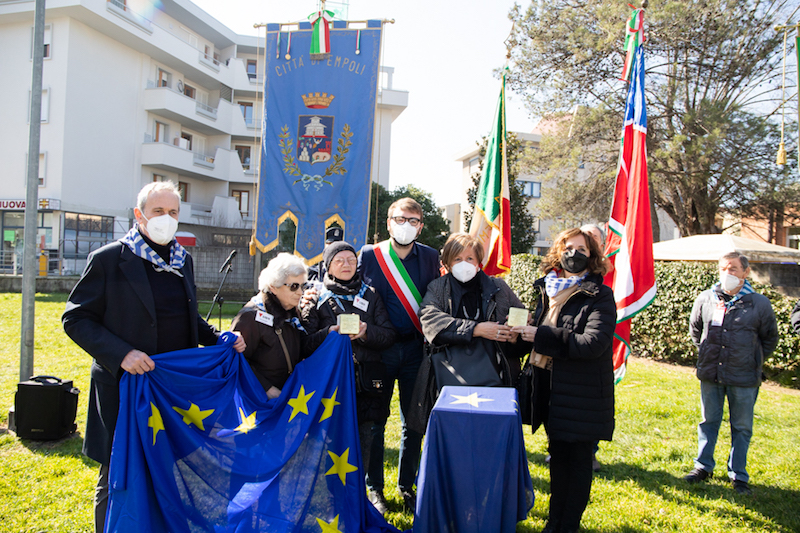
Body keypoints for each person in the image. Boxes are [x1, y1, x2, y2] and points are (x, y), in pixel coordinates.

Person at [62, 181, 246, 533]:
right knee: (117, 473)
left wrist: (219, 338)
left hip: (171, 389)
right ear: (139, 215)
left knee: (166, 466)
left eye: (173, 212)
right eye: (158, 211)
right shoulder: (109, 259)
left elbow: (187, 317)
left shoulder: (182, 260)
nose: (166, 218)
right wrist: (122, 354)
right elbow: (76, 319)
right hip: (124, 386)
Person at [512, 227, 615, 533]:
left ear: (592, 255)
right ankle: (553, 523)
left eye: (581, 249)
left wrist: (540, 334)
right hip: (551, 389)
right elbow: (539, 334)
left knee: (578, 463)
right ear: (558, 252)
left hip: (582, 394)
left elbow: (593, 343)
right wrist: (519, 334)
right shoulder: (548, 289)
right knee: (557, 459)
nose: (574, 254)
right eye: (568, 248)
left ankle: (568, 525)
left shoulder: (600, 295)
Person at [357, 197, 441, 513]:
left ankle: (407, 486)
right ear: (389, 223)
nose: (406, 225)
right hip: (378, 350)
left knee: (414, 421)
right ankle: (374, 489)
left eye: (413, 221)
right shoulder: (369, 255)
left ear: (420, 226)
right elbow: (346, 284)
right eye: (400, 219)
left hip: (416, 349)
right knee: (376, 422)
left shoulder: (431, 257)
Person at [684, 251, 778, 495]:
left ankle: (738, 474)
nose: (728, 273)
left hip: (744, 377)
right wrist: (709, 355)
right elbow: (696, 331)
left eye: (733, 268)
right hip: (711, 373)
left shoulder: (759, 303)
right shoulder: (706, 298)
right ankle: (703, 466)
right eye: (724, 268)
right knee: (708, 421)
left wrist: (753, 359)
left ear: (746, 272)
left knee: (742, 427)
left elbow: (769, 338)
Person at [301, 240, 397, 470]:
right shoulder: (315, 296)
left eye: (351, 260)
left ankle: (359, 489)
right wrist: (328, 334)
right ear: (328, 266)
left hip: (365, 385)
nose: (346, 265)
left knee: (363, 445)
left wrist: (366, 332)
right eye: (339, 261)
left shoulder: (370, 295)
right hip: (330, 386)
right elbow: (304, 343)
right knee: (328, 446)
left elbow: (388, 335)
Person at [418, 232, 528, 393]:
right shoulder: (437, 288)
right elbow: (430, 321)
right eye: (457, 259)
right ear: (447, 264)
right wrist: (476, 329)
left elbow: (522, 322)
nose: (464, 264)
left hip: (497, 376)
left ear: (478, 262)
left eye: (470, 258)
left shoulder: (499, 288)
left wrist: (515, 336)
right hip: (448, 376)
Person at [231, 253, 331, 398]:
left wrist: (328, 333)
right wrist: (267, 389)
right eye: (294, 287)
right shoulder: (251, 316)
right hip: (258, 400)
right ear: (273, 287)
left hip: (289, 395)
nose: (300, 292)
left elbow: (302, 345)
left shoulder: (291, 310)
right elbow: (236, 360)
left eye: (303, 286)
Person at [579, 223, 607, 473]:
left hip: (589, 367)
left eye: (592, 238)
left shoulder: (603, 288)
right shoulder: (552, 285)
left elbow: (593, 341)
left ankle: (590, 452)